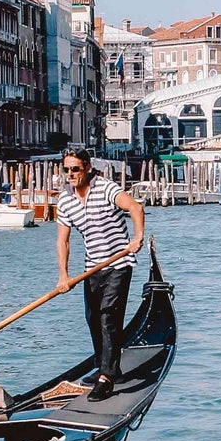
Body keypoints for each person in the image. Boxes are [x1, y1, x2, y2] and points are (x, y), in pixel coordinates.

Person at [54, 146, 145, 401]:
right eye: (67, 170)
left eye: (75, 169)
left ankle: (107, 376)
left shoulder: (106, 189)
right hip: (92, 268)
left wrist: (137, 237)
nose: (71, 174)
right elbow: (63, 241)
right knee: (93, 318)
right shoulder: (65, 201)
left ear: (88, 168)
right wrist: (63, 275)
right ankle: (107, 365)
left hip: (119, 263)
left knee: (108, 317)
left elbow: (135, 208)